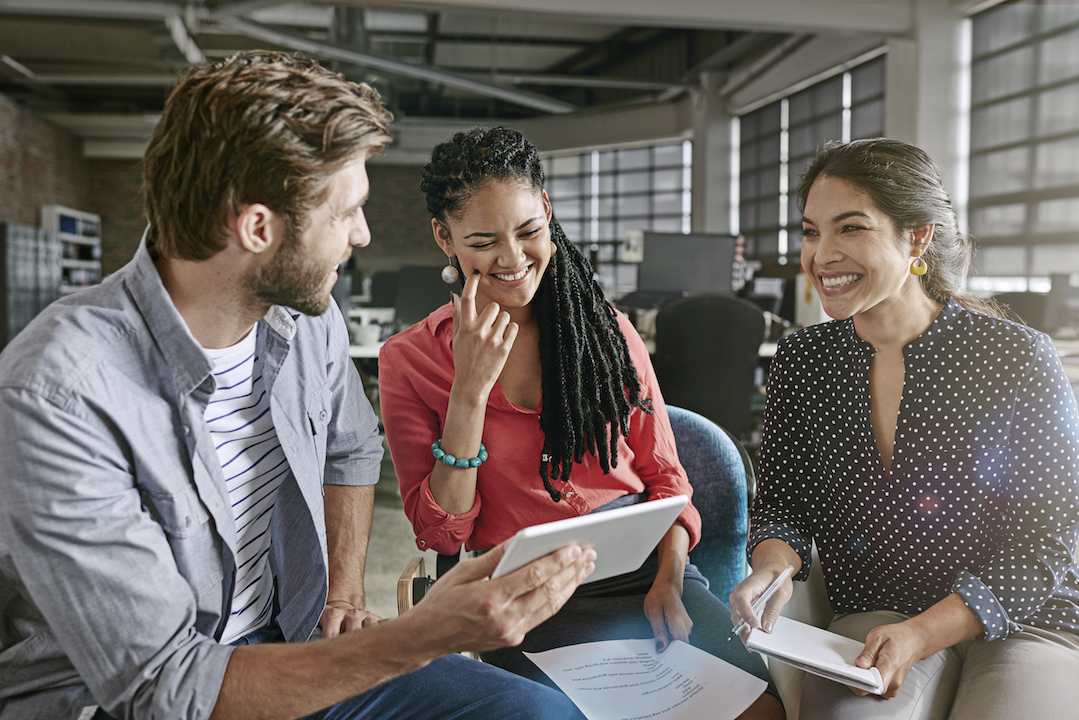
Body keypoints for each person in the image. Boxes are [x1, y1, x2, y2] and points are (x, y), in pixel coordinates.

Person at [0, 51, 599, 720]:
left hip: (285, 645)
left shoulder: (301, 316)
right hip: (133, 700)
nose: (362, 234)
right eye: (346, 213)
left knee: (541, 716)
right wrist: (425, 634)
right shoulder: (56, 394)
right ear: (258, 227)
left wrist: (341, 595)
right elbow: (164, 689)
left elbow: (349, 449)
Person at [377, 126, 784, 720]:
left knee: (758, 713)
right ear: (445, 238)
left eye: (528, 231)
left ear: (547, 209)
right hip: (526, 594)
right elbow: (443, 535)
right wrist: (468, 392)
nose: (513, 259)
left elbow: (667, 483)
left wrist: (669, 581)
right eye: (484, 241)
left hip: (647, 571)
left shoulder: (606, 332)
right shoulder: (410, 359)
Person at [729, 137, 1079, 720]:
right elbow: (783, 506)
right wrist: (773, 566)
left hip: (1024, 619)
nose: (821, 256)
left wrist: (923, 634)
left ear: (916, 237)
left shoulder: (1017, 357)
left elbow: (1049, 542)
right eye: (812, 231)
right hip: (877, 613)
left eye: (851, 228)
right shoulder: (803, 360)